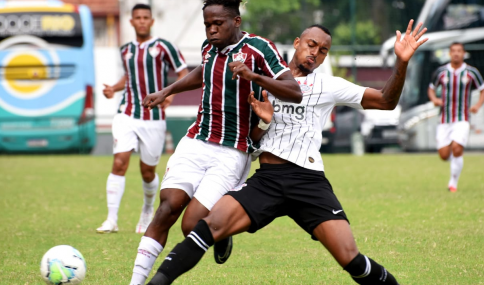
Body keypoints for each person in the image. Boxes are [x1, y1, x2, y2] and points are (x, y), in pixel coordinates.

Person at [146, 20, 428, 285]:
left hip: (308, 181)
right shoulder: (263, 80)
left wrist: (402, 62)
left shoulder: (328, 86)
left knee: (350, 259)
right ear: (297, 43)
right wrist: (264, 121)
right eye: (311, 44)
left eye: (323, 50)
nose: (315, 53)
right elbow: (252, 136)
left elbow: (386, 101)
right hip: (267, 179)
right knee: (205, 227)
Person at [129, 1, 303, 284]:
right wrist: (167, 90)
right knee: (166, 209)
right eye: (207, 24)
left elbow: (294, 91)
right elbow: (204, 71)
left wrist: (253, 75)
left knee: (192, 225)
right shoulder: (208, 48)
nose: (211, 30)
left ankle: (223, 234)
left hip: (232, 151)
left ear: (236, 20)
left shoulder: (260, 48)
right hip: (197, 140)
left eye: (217, 24)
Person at [96, 4, 189, 234]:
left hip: (154, 117)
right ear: (131, 21)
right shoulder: (126, 49)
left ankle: (147, 209)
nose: (141, 21)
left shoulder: (163, 47)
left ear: (151, 21)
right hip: (126, 113)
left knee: (148, 171)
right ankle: (111, 219)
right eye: (137, 17)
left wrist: (171, 95)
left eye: (145, 17)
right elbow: (129, 77)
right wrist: (114, 89)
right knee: (119, 162)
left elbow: (183, 73)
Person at [428, 42, 484, 192]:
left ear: (463, 53)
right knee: (444, 155)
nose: (456, 54)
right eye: (453, 51)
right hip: (444, 119)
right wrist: (434, 99)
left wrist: (477, 106)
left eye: (459, 51)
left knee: (457, 148)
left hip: (462, 118)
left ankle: (453, 183)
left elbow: (482, 90)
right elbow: (431, 89)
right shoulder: (441, 72)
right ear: (450, 53)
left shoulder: (471, 72)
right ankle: (455, 161)